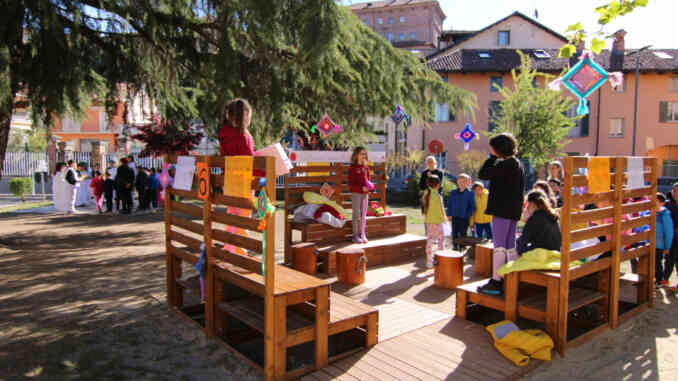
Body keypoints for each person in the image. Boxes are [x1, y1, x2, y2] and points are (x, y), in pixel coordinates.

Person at [477, 132, 525, 295]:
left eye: (492, 147)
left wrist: (491, 158)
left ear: (498, 149)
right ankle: (511, 279)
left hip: (502, 210)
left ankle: (496, 282)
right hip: (513, 211)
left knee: (499, 246)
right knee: (510, 246)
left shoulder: (504, 165)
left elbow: (483, 174)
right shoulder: (517, 164)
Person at [218, 98, 257, 255]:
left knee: (232, 216)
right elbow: (250, 160)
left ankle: (230, 248)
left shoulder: (224, 134)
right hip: (244, 182)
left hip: (229, 181)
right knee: (243, 220)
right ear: (245, 116)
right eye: (249, 118)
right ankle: (240, 252)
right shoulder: (244, 135)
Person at [516, 190, 561, 255]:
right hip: (555, 254)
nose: (525, 209)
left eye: (527, 206)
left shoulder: (535, 218)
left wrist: (526, 220)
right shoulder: (553, 216)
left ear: (532, 204)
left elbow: (520, 246)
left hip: (541, 257)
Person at [421, 175, 446, 268]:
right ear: (438, 184)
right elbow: (440, 210)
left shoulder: (426, 193)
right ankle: (441, 259)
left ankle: (429, 261)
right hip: (437, 222)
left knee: (430, 240)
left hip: (429, 221)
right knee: (440, 240)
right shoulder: (437, 196)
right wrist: (444, 219)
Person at [348, 146, 371, 244]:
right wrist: (361, 188)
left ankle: (363, 233)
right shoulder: (352, 168)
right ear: (356, 155)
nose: (363, 156)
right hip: (356, 194)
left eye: (364, 154)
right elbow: (351, 185)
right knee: (356, 214)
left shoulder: (366, 168)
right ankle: (355, 235)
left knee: (363, 215)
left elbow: (368, 181)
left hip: (365, 195)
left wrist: (368, 187)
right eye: (362, 153)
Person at [447, 173, 475, 250]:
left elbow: (472, 207)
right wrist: (449, 214)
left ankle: (462, 247)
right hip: (455, 216)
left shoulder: (470, 193)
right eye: (460, 181)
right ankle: (455, 246)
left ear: (467, 183)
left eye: (464, 182)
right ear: (457, 182)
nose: (462, 183)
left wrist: (468, 215)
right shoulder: (453, 192)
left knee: (463, 233)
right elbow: (449, 204)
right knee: (455, 232)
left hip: (464, 217)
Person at [654, 193, 674, 287]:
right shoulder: (650, 213)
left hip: (659, 244)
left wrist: (667, 247)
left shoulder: (665, 215)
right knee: (652, 262)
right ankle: (654, 279)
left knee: (657, 263)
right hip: (651, 243)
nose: (653, 203)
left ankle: (659, 280)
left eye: (656, 201)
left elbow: (669, 232)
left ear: (662, 203)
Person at [664, 184, 678, 287]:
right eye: (674, 191)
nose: (676, 193)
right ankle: (665, 279)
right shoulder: (667, 204)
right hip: (670, 236)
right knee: (669, 258)